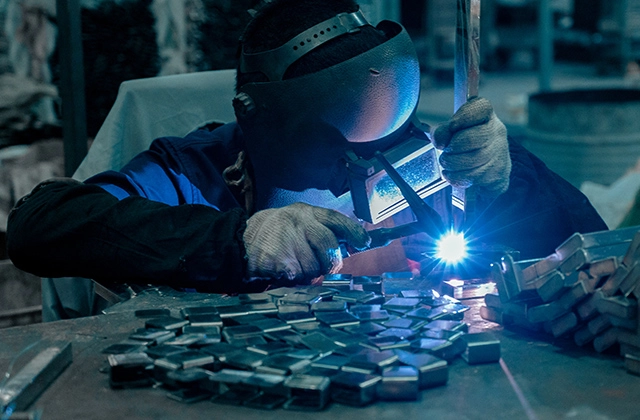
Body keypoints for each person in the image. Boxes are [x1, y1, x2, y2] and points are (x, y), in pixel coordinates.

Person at [7, 0, 606, 307]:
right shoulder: (196, 170)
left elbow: (587, 241)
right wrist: (236, 241)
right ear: (256, 120)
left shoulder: (415, 156)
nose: (357, 178)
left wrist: (510, 179)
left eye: (369, 149)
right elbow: (40, 225)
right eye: (335, 155)